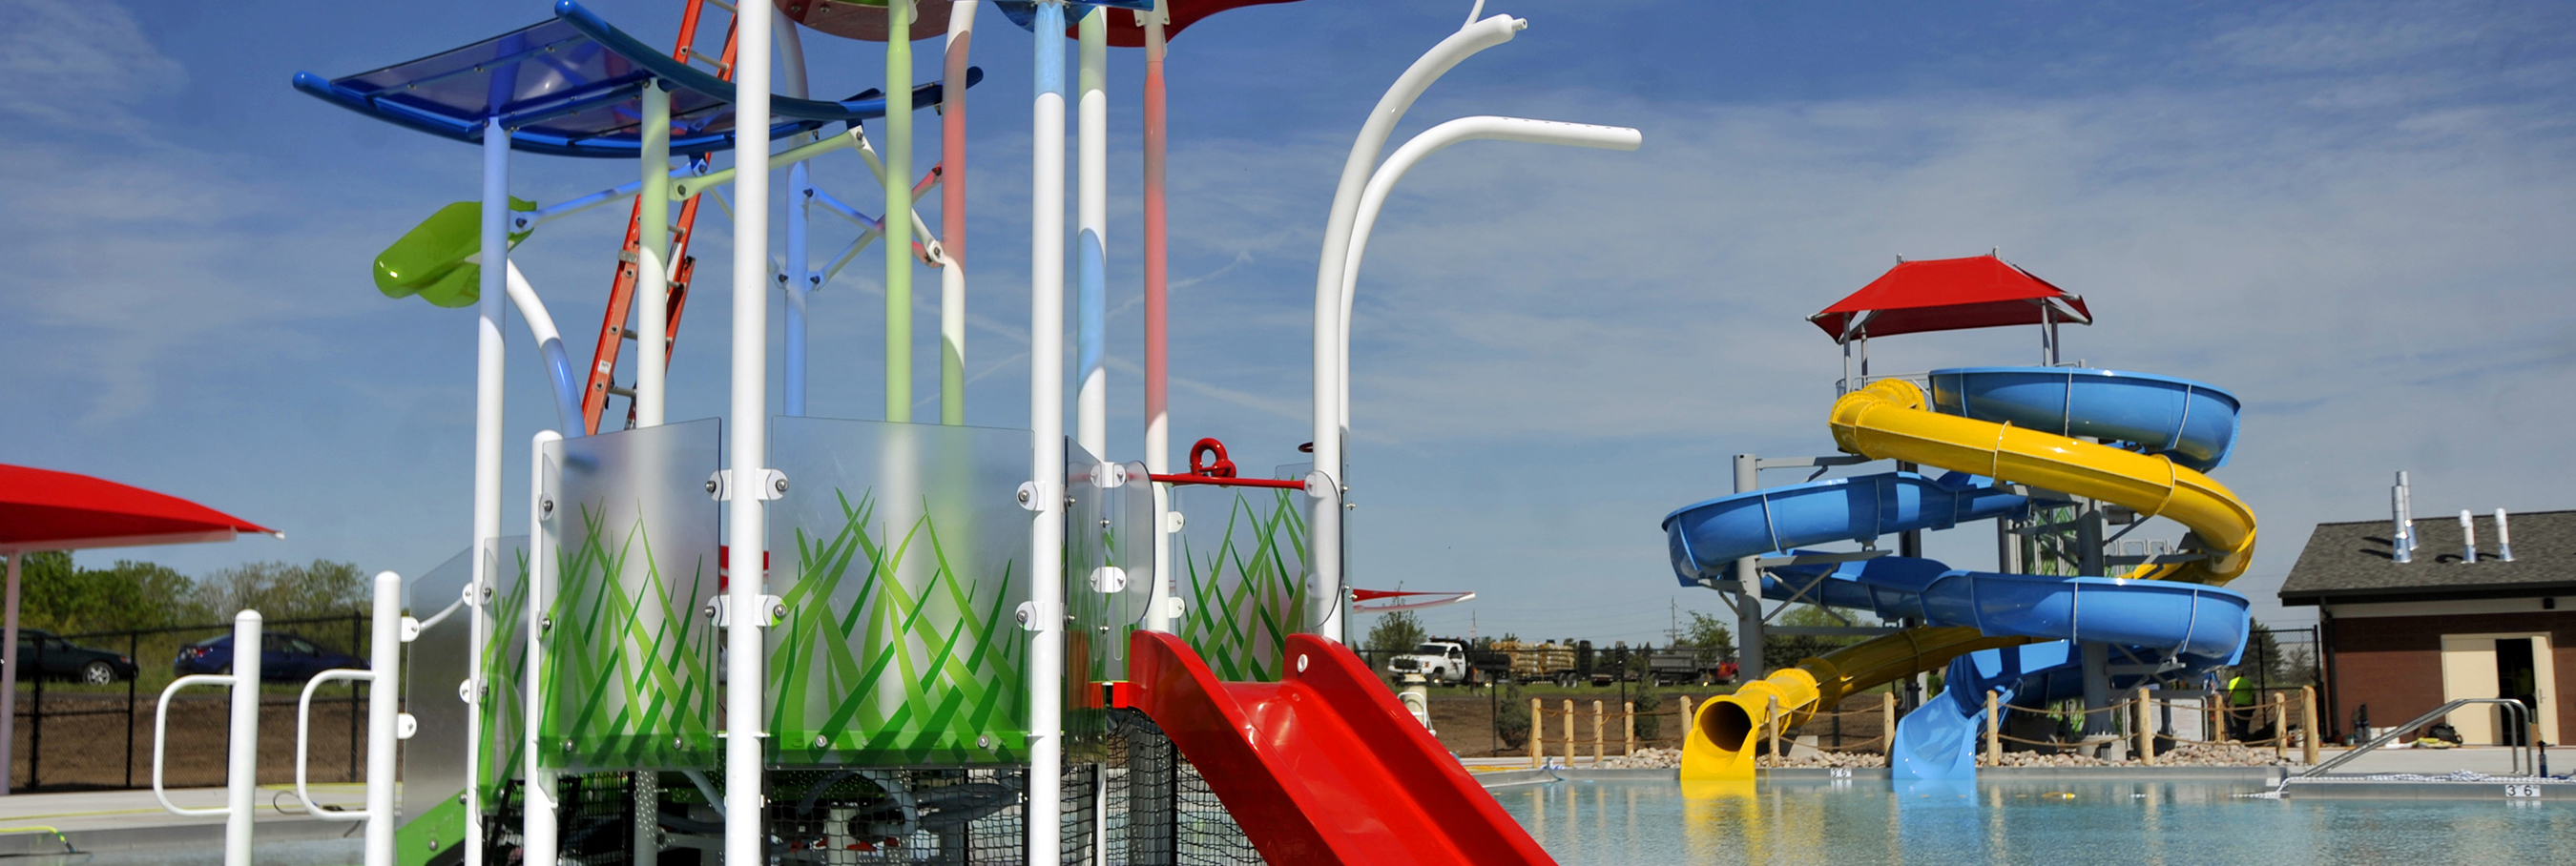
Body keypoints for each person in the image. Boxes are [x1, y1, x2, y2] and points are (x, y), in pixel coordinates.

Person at [2225, 673, 2257, 741]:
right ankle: (2245, 736)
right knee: (2246, 722)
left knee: (2238, 720)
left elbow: (2229, 693)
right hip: (2248, 705)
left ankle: (2242, 737)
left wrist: (2226, 703)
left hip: (2239, 705)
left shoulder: (2233, 681)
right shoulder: (2248, 682)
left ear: (2235, 675)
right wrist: (2254, 704)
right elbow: (2253, 694)